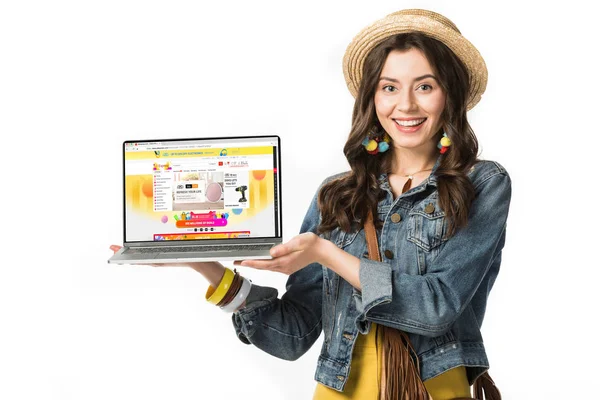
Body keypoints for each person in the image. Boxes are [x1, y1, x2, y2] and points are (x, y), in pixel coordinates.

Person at [111, 8, 511, 400]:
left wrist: (326, 253)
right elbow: (293, 335)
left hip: (432, 391)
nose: (405, 105)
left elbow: (435, 308)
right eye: (389, 87)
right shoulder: (338, 194)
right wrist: (202, 262)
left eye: (425, 86)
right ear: (372, 97)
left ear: (450, 95)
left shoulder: (481, 184)